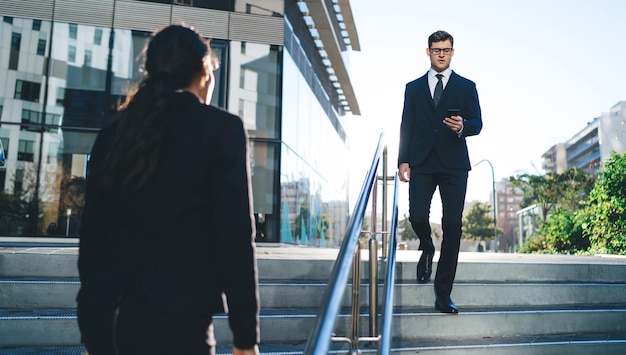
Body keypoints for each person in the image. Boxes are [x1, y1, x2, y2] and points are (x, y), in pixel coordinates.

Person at [76, 24, 260, 355]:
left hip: (104, 317)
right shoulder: (221, 130)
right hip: (175, 321)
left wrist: (94, 313)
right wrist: (245, 336)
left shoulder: (113, 133)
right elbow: (235, 238)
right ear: (205, 71)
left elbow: (92, 235)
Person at [398, 30, 482, 314]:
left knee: (453, 226)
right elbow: (406, 126)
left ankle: (443, 293)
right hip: (421, 162)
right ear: (428, 52)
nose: (441, 54)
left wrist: (463, 126)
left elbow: (478, 123)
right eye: (436, 50)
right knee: (417, 215)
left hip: (454, 164)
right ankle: (427, 246)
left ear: (453, 52)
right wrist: (403, 160)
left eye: (446, 49)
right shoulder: (412, 88)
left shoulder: (466, 86)